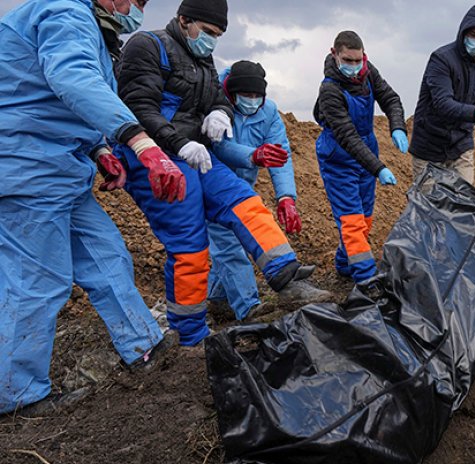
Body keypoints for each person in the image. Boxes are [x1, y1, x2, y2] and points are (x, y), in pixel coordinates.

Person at [0, 0, 185, 414]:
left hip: (59, 169)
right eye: (132, 0)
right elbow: (72, 78)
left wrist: (100, 148)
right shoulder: (65, 12)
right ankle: (17, 396)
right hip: (24, 167)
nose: (135, 8)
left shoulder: (90, 30)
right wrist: (139, 141)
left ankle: (143, 345)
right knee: (36, 281)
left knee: (107, 256)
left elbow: (60, 98)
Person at [116, 0, 330, 347]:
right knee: (191, 246)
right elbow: (137, 107)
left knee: (244, 201)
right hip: (154, 157)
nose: (213, 41)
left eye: (219, 35)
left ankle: (287, 278)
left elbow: (216, 97)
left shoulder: (202, 60)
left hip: (195, 154)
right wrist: (176, 143)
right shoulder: (147, 46)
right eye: (210, 32)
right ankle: (191, 336)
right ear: (184, 20)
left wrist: (219, 113)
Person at [209, 60, 301, 320]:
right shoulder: (216, 105)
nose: (251, 101)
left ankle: (217, 300)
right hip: (214, 185)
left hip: (242, 188)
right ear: (231, 92)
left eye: (256, 96)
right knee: (229, 246)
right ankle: (248, 309)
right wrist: (253, 155)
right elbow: (218, 146)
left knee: (230, 242)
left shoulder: (268, 112)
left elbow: (280, 155)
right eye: (245, 95)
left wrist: (286, 197)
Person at [313, 31, 407, 285]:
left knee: (364, 217)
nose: (354, 67)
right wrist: (379, 168)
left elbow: (390, 98)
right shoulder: (330, 90)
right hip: (339, 158)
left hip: (367, 150)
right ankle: (367, 280)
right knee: (351, 221)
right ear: (335, 54)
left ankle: (345, 264)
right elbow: (346, 135)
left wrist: (397, 125)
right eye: (348, 60)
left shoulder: (368, 72)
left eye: (358, 60)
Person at [409, 4, 475, 185]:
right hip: (430, 144)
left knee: (464, 204)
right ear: (463, 33)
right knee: (429, 208)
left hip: (461, 144)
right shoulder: (441, 59)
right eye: (473, 35)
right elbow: (443, 103)